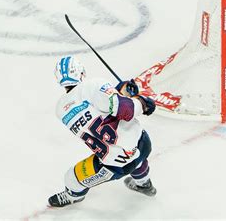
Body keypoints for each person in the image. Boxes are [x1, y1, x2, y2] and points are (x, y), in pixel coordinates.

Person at [48, 56, 157, 208]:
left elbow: (98, 112)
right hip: (143, 144)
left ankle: (73, 196)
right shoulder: (93, 85)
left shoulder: (60, 109)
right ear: (81, 72)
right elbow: (126, 109)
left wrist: (119, 92)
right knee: (134, 152)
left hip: (115, 166)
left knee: (71, 179)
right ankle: (144, 183)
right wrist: (143, 103)